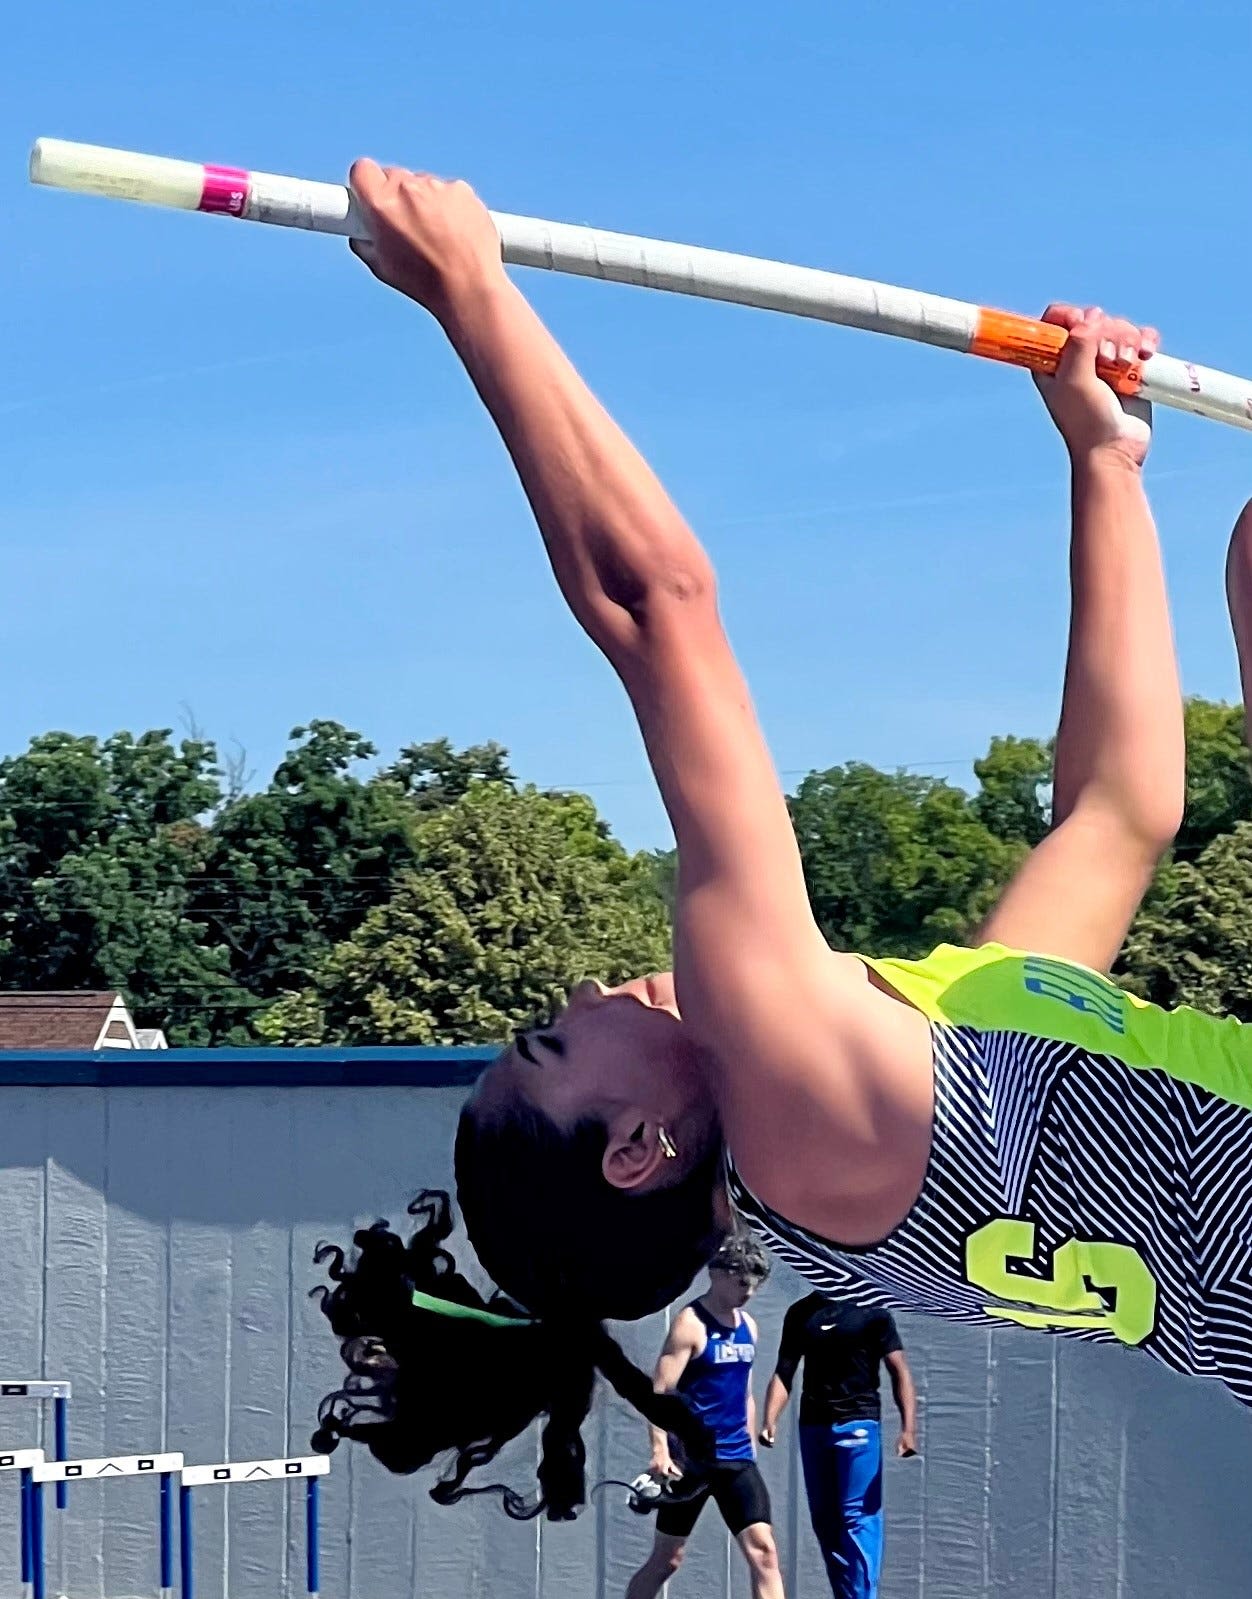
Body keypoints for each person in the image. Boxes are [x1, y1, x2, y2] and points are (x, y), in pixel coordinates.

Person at [313, 161, 1252, 1525]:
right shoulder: (799, 1100)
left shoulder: (931, 1098)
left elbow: (1118, 811)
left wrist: (1102, 467)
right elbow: (660, 609)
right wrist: (470, 293)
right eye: (553, 1043)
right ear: (638, 1145)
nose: (576, 995)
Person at [598, 1235, 809, 1599]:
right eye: (739, 1283)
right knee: (666, 1560)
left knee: (763, 1551)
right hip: (690, 1463)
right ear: (715, 1275)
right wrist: (660, 1452)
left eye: (753, 1285)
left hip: (735, 1462)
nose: (746, 1293)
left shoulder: (748, 1326)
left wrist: (749, 1435)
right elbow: (658, 1394)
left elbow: (744, 1390)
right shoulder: (690, 1324)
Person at [761, 1300, 916, 1599]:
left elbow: (899, 1370)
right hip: (814, 1425)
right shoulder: (801, 1312)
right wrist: (770, 1418)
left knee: (856, 1517)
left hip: (858, 1423)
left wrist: (909, 1429)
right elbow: (785, 1369)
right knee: (825, 1521)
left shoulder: (873, 1312)